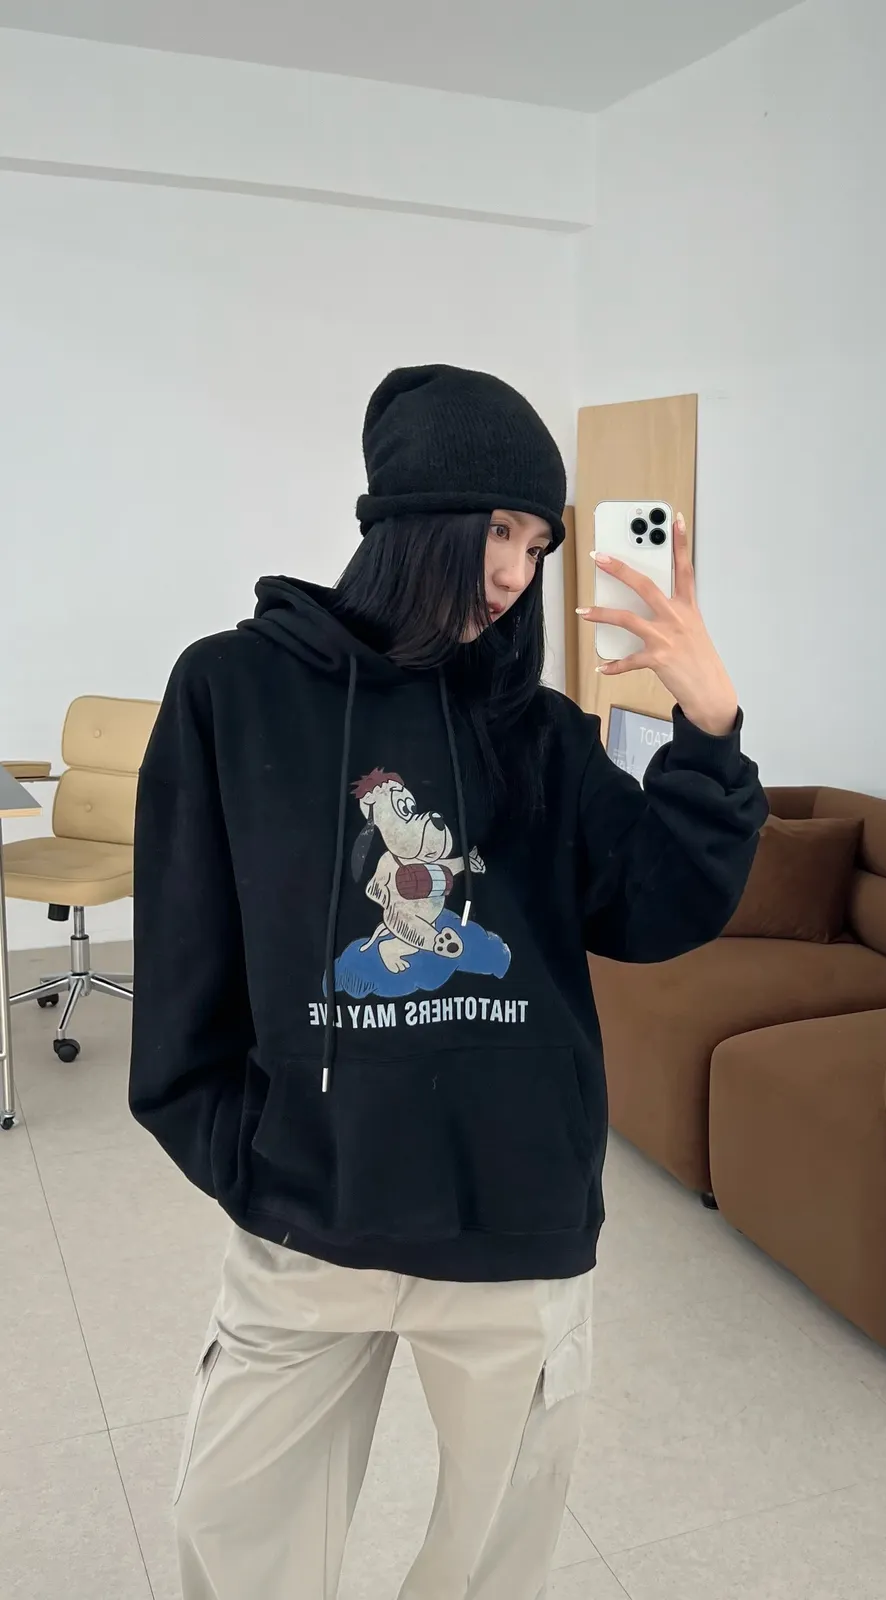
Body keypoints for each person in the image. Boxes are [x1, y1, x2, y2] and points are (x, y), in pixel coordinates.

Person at [129, 364, 768, 1600]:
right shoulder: (230, 689)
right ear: (414, 518)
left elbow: (659, 906)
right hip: (307, 1220)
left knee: (491, 1563)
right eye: (501, 531)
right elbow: (187, 959)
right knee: (233, 1533)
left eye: (540, 545)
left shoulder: (538, 730)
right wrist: (249, 1152)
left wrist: (709, 730)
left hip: (514, 1226)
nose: (519, 572)